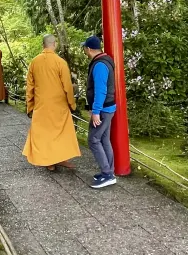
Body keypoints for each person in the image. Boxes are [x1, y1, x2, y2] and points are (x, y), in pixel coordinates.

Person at [23, 35, 80, 171]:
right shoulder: (60, 62)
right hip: (59, 105)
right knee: (61, 132)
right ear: (54, 44)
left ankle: (50, 161)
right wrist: (72, 104)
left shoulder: (34, 62)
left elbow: (30, 87)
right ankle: (59, 158)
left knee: (45, 133)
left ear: (43, 45)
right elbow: (67, 86)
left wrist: (30, 106)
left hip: (41, 105)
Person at [82, 35, 117, 188]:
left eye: (84, 47)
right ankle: (109, 172)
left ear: (88, 49)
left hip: (103, 109)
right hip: (108, 108)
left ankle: (107, 174)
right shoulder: (105, 60)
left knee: (93, 139)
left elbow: (100, 90)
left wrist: (95, 111)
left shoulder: (100, 65)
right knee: (103, 139)